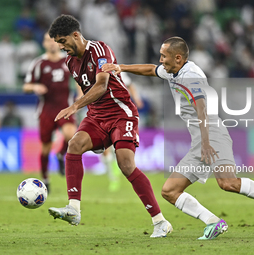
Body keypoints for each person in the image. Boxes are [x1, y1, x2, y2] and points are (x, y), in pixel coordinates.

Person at [102, 36, 254, 240]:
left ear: (178, 58)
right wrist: (122, 67)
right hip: (200, 139)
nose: (161, 60)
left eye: (164, 56)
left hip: (212, 134)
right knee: (170, 191)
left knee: (228, 183)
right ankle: (214, 222)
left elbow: (202, 109)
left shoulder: (191, 76)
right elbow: (150, 70)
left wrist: (205, 143)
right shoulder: (173, 70)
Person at [47, 14, 172, 238]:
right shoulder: (70, 62)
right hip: (96, 116)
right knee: (74, 145)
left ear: (75, 35)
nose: (61, 47)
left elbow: (102, 85)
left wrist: (75, 106)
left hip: (120, 113)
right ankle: (73, 209)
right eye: (58, 43)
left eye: (63, 41)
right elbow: (86, 90)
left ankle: (160, 221)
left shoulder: (99, 50)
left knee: (125, 164)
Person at [23, 33, 79, 191]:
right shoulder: (39, 63)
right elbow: (26, 86)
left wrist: (80, 94)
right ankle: (45, 178)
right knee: (46, 148)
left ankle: (61, 154)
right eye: (48, 40)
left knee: (71, 136)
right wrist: (35, 87)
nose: (52, 44)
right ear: (43, 43)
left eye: (55, 40)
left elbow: (78, 79)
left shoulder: (68, 59)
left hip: (65, 107)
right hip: (46, 110)